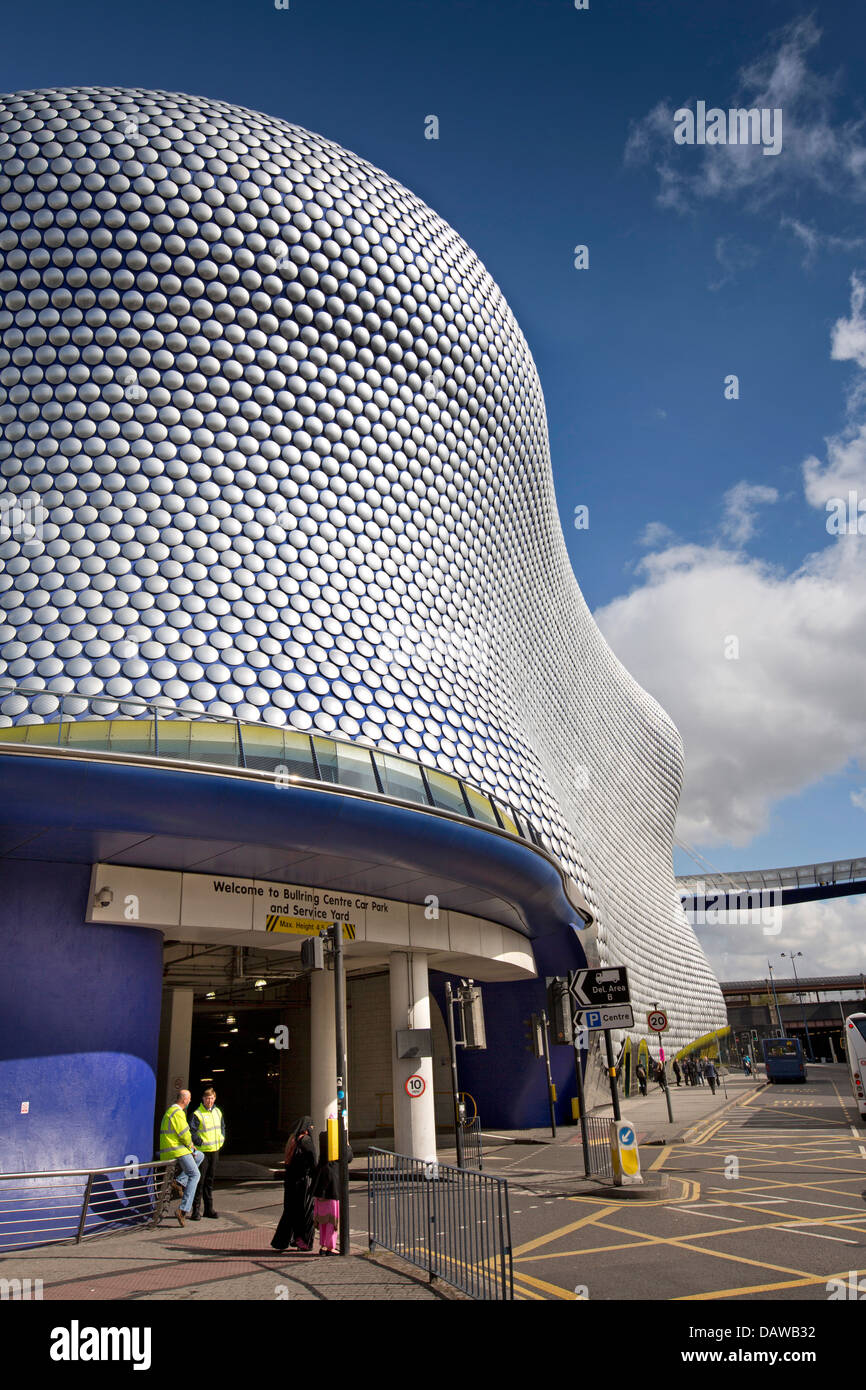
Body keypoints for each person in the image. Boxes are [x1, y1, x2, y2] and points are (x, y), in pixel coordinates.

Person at [271, 1115, 316, 1252]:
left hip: (290, 1181)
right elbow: (313, 1161)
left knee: (290, 1212)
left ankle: (282, 1241)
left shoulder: (292, 1139)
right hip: (302, 1181)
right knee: (305, 1211)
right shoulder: (307, 1141)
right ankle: (303, 1240)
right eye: (311, 1126)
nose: (312, 1128)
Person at [159, 1089, 203, 1227]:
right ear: (184, 1099)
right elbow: (184, 1134)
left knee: (200, 1155)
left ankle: (179, 1182)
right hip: (176, 1150)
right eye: (189, 1099)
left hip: (172, 1149)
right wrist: (191, 1146)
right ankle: (183, 1210)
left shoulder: (171, 1111)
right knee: (195, 1174)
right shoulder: (178, 1113)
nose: (190, 1101)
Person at [312, 1128, 354, 1255]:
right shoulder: (336, 1156)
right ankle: (331, 1246)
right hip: (333, 1189)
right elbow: (348, 1157)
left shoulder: (323, 1155)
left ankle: (324, 1245)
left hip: (321, 1189)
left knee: (323, 1218)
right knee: (332, 1218)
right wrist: (347, 1144)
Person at [190, 1086, 225, 1220]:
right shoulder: (197, 1114)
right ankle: (196, 1210)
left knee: (210, 1181)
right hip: (203, 1152)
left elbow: (222, 1127)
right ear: (203, 1099)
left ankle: (209, 1209)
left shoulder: (218, 1112)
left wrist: (221, 1139)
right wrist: (200, 1142)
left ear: (214, 1098)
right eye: (207, 1098)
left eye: (211, 1098)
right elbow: (192, 1131)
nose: (209, 1101)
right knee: (200, 1181)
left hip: (214, 1150)